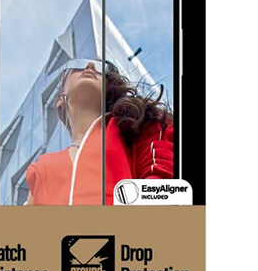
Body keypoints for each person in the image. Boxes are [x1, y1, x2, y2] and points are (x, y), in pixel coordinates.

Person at [24, 59, 174, 205]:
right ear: (60, 99)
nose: (90, 66)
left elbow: (164, 186)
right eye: (77, 66)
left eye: (101, 69)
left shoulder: (139, 124)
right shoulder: (40, 170)